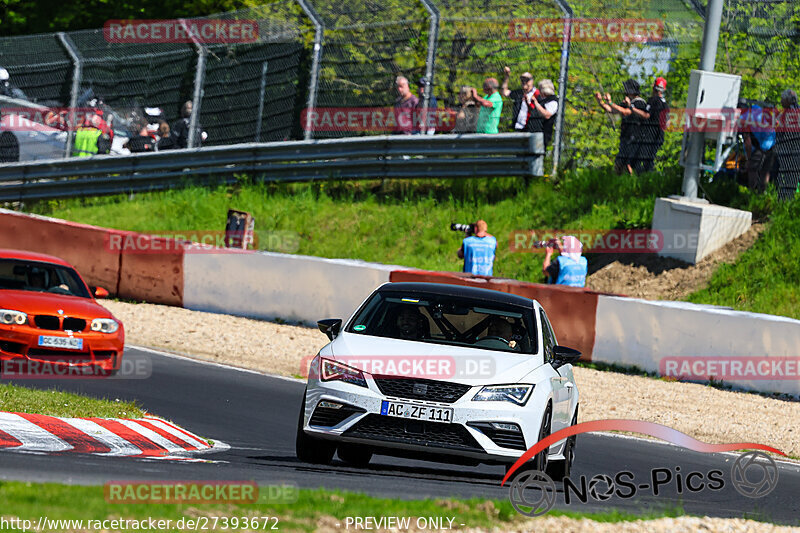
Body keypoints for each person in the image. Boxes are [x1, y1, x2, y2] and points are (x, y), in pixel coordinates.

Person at [594, 79, 648, 174]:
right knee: (619, 163)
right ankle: (617, 181)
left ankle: (632, 181)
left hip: (635, 138)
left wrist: (611, 102)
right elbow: (612, 110)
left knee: (628, 164)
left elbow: (625, 112)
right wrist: (601, 102)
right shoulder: (626, 102)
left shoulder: (639, 103)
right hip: (625, 137)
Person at [630, 77, 669, 173]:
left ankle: (637, 180)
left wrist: (632, 108)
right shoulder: (665, 104)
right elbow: (667, 123)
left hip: (649, 136)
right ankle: (647, 178)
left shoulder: (653, 100)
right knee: (649, 161)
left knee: (636, 160)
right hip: (658, 136)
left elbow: (646, 115)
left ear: (654, 87)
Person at [742, 103, 776, 193]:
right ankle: (763, 194)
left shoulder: (743, 118)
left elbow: (747, 142)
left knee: (752, 169)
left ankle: (752, 192)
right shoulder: (757, 109)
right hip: (772, 141)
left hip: (761, 144)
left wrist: (748, 159)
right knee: (765, 170)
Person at [773, 89, 800, 199]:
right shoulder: (786, 112)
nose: (781, 101)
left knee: (789, 179)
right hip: (785, 152)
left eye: (782, 99)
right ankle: (783, 201)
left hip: (791, 152)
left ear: (789, 100)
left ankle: (786, 202)